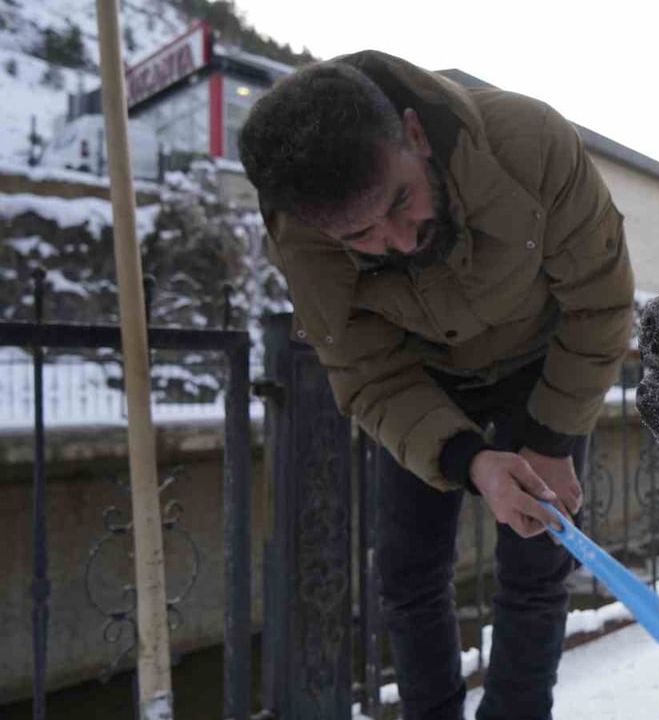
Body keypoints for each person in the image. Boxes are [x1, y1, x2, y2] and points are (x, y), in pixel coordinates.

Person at [238, 50, 634, 720]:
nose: (396, 240)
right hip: (422, 381)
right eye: (359, 235)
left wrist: (549, 438)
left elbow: (599, 303)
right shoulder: (302, 241)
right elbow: (367, 373)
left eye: (400, 200)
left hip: (540, 367)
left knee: (536, 562)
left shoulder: (531, 144)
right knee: (407, 569)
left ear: (415, 136)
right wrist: (469, 460)